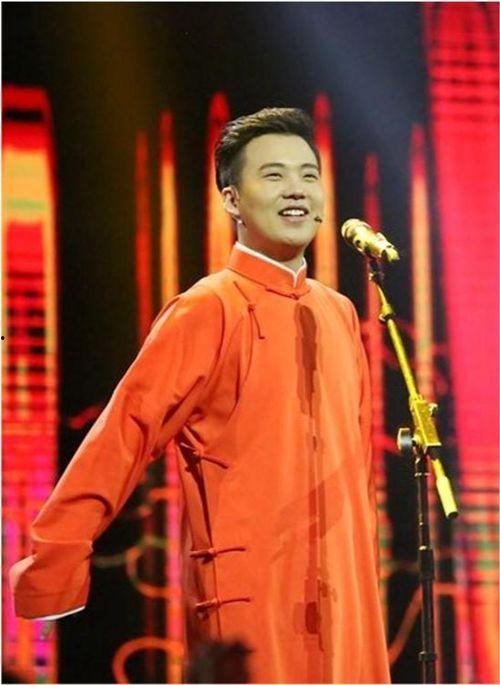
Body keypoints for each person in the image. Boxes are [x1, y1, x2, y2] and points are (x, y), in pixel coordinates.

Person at [10, 107, 391, 683]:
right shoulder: (208, 308)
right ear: (232, 200)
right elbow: (124, 434)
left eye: (308, 175)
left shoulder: (338, 313)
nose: (296, 190)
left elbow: (356, 470)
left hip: (344, 594)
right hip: (250, 596)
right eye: (274, 175)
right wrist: (55, 560)